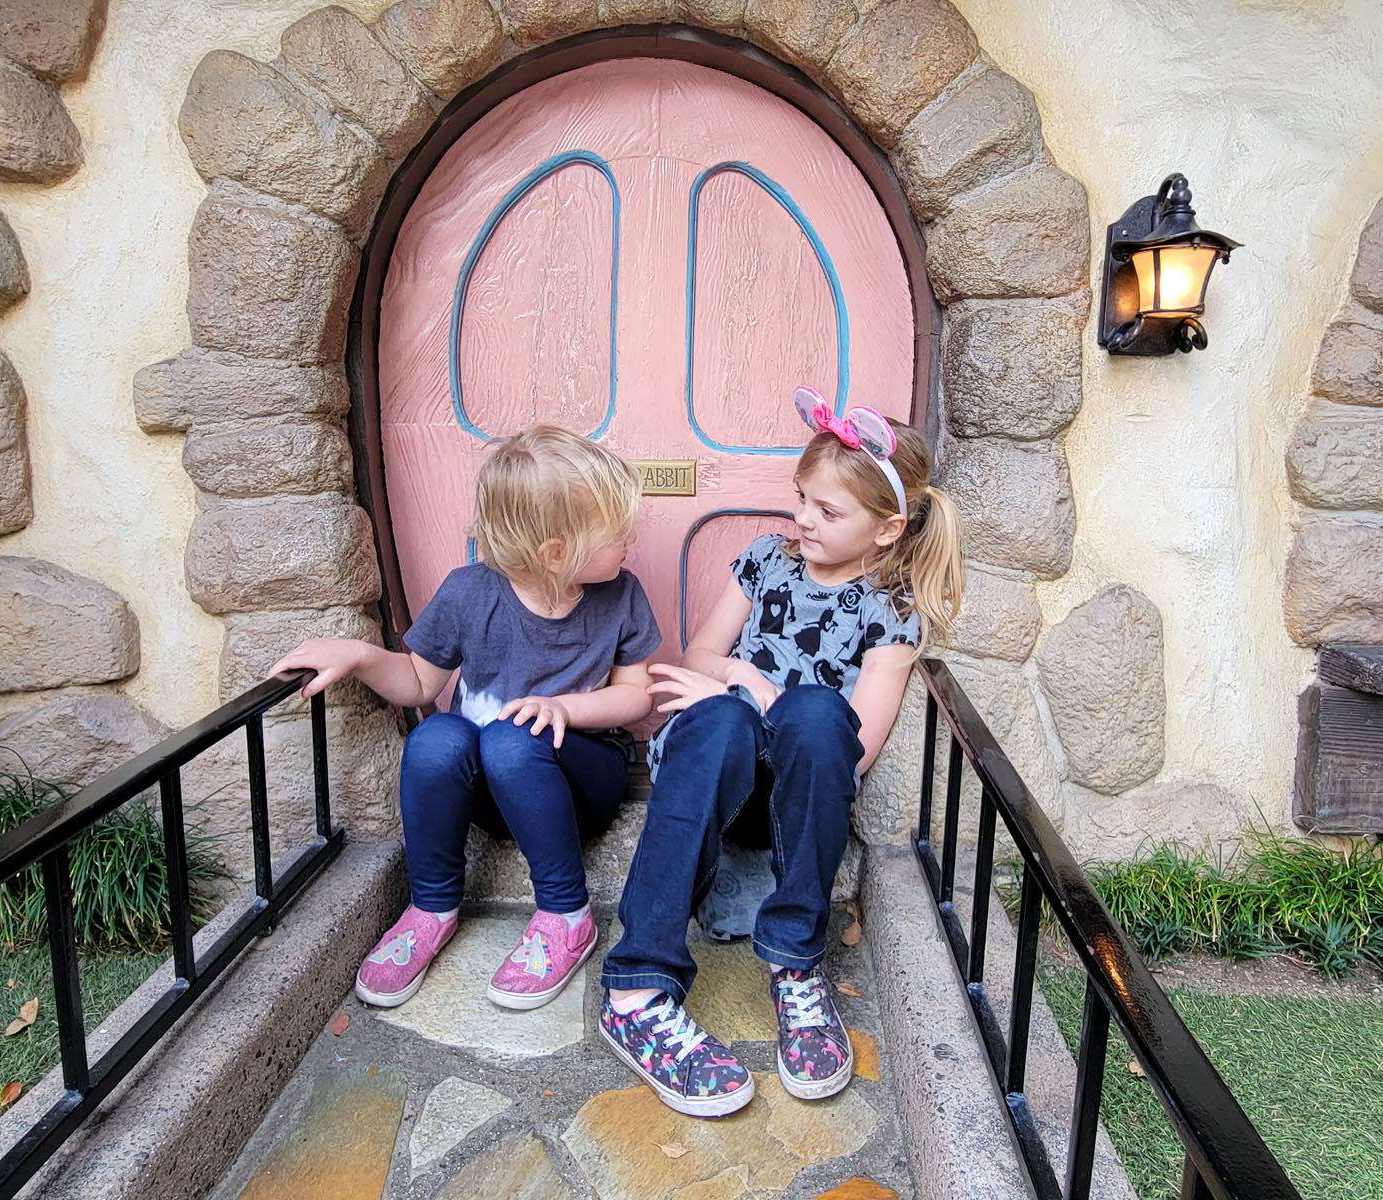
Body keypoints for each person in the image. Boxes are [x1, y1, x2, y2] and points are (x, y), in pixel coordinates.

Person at [597, 388, 965, 1117]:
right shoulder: (767, 561)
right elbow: (700, 656)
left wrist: (767, 693)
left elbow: (851, 750)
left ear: (888, 529)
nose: (803, 519)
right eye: (802, 499)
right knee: (721, 721)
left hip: (798, 795)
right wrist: (736, 681)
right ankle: (636, 990)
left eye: (829, 512)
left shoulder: (890, 612)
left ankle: (797, 965)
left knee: (815, 712)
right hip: (713, 772)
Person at [268, 426, 659, 1012]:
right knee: (436, 736)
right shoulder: (469, 593)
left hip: (580, 782)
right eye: (616, 531)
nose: (630, 539)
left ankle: (565, 914)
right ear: (557, 552)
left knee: (510, 737)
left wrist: (564, 708)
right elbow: (419, 684)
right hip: (491, 792)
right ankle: (431, 907)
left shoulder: (620, 594)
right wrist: (360, 655)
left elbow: (636, 697)